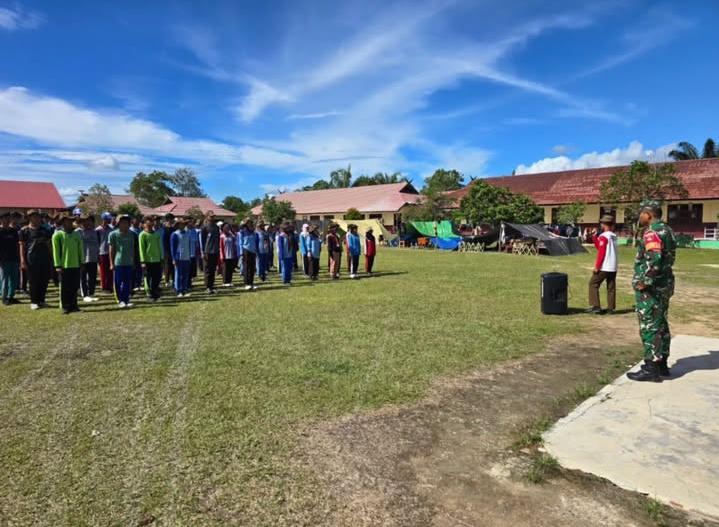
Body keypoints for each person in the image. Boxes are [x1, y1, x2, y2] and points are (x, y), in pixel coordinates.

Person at [627, 200, 677, 383]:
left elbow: (654, 258)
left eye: (641, 213)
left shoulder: (652, 232)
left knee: (649, 324)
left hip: (652, 287)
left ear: (648, 214)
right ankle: (662, 363)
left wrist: (645, 281)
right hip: (665, 284)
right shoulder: (668, 230)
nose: (639, 216)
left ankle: (651, 367)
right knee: (661, 322)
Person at [19, 210, 53, 309]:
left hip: (45, 259)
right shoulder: (24, 231)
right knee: (33, 281)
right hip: (31, 260)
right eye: (33, 216)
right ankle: (34, 302)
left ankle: (41, 300)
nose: (36, 218)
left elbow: (49, 245)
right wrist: (22, 261)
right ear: (29, 218)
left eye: (37, 216)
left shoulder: (45, 230)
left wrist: (52, 257)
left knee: (44, 280)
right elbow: (22, 246)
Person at [52, 214, 84, 314]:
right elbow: (56, 251)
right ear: (62, 222)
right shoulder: (58, 235)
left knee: (74, 287)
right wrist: (57, 265)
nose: (69, 223)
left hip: (75, 264)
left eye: (71, 221)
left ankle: (74, 306)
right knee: (65, 288)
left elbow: (80, 249)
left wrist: (82, 262)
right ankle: (66, 307)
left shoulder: (76, 234)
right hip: (64, 266)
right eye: (67, 221)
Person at [586, 215, 618, 315]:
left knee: (593, 284)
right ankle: (610, 308)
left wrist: (597, 266)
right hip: (613, 266)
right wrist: (594, 237)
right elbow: (600, 247)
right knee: (611, 287)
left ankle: (596, 306)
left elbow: (601, 252)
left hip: (605, 266)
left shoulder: (604, 236)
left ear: (603, 224)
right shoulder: (613, 236)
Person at [108, 215, 136, 308]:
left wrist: (133, 261)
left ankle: (126, 300)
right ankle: (120, 300)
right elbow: (111, 250)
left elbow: (132, 248)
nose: (125, 224)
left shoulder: (131, 234)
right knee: (118, 282)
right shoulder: (113, 234)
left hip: (128, 262)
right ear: (118, 224)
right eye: (123, 223)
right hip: (118, 262)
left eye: (127, 223)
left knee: (127, 282)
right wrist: (111, 263)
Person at [139, 216, 163, 302]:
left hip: (157, 260)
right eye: (147, 222)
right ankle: (149, 294)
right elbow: (141, 249)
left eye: (151, 221)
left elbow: (160, 247)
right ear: (144, 224)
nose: (149, 223)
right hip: (147, 261)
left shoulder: (157, 234)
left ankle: (155, 293)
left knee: (157, 277)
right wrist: (143, 261)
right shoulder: (142, 235)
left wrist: (161, 258)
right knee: (148, 278)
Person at [0, 212, 21, 306]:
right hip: (3, 260)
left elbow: (17, 244)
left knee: (14, 279)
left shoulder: (13, 231)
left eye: (9, 218)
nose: (8, 220)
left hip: (14, 258)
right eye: (6, 218)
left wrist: (19, 257)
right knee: (4, 279)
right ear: (1, 220)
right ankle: (4, 298)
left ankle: (11, 297)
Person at [79, 215, 100, 302]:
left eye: (89, 221)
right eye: (85, 221)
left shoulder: (95, 232)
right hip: (83, 258)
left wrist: (98, 255)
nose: (87, 223)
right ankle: (85, 295)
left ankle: (91, 293)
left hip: (93, 258)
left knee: (92, 277)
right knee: (83, 277)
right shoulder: (78, 232)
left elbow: (97, 244)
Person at [171, 218, 193, 297]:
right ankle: (178, 290)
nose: (183, 225)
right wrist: (174, 259)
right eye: (181, 224)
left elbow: (188, 245)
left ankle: (184, 289)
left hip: (186, 257)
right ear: (178, 225)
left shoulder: (188, 233)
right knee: (178, 275)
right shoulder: (175, 234)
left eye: (184, 224)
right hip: (178, 258)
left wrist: (189, 256)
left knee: (185, 275)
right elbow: (172, 248)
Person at [200, 212, 221, 294]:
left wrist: (218, 249)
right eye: (211, 216)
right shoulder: (204, 227)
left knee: (213, 269)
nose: (212, 218)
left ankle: (212, 286)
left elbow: (218, 239)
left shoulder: (216, 227)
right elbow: (202, 241)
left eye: (213, 216)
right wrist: (203, 252)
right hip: (207, 251)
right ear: (207, 217)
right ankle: (207, 287)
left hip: (215, 251)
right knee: (207, 270)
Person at [96, 211, 114, 292]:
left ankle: (110, 286)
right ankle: (104, 287)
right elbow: (97, 242)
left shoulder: (111, 230)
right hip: (102, 252)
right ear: (104, 219)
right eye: (108, 219)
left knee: (110, 271)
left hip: (110, 252)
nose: (109, 220)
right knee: (103, 271)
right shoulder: (98, 230)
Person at [239, 219, 258, 290]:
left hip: (253, 251)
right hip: (246, 250)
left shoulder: (253, 232)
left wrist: (256, 250)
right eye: (248, 223)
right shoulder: (242, 232)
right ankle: (247, 283)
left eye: (250, 222)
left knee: (252, 267)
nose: (249, 224)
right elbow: (240, 242)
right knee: (246, 267)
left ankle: (251, 282)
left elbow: (255, 241)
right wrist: (241, 252)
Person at [219, 222, 238, 287]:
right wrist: (222, 256)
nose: (227, 228)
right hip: (225, 255)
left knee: (230, 269)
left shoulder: (231, 235)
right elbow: (221, 247)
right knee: (225, 269)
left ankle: (229, 281)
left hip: (231, 255)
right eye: (226, 227)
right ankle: (225, 282)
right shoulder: (221, 236)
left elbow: (234, 243)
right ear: (223, 228)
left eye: (228, 227)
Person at [130, 216, 144, 292]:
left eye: (139, 220)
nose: (138, 222)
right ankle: (134, 284)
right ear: (132, 221)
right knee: (133, 269)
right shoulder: (130, 230)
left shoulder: (141, 230)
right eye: (136, 220)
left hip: (140, 252)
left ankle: (139, 283)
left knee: (139, 268)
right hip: (133, 251)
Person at [161, 214, 175, 287]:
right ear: (168, 219)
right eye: (171, 219)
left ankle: (173, 279)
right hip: (167, 251)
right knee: (167, 266)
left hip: (173, 250)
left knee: (173, 266)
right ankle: (167, 280)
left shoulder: (173, 228)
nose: (172, 220)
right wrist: (166, 252)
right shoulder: (164, 229)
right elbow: (164, 242)